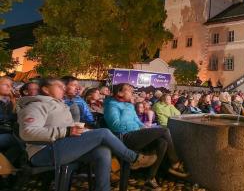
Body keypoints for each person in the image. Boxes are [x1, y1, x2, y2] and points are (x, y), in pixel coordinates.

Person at [18, 78, 154, 191]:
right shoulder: (36, 105)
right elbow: (27, 132)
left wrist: (82, 131)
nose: (63, 88)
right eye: (59, 86)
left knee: (103, 150)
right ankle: (133, 158)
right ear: (46, 89)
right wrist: (66, 131)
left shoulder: (60, 105)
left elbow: (67, 129)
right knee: (104, 133)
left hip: (62, 146)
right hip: (44, 151)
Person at [104, 83, 188, 190]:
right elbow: (115, 126)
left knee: (163, 142)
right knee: (164, 130)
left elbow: (137, 121)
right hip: (124, 137)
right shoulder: (111, 105)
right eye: (129, 90)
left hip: (136, 134)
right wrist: (127, 111)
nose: (132, 92)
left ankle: (151, 178)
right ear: (119, 93)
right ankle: (175, 163)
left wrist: (144, 128)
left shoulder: (129, 105)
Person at [0, 77, 24, 168]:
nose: (9, 87)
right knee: (18, 142)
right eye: (6, 85)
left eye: (11, 85)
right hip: (4, 133)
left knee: (19, 144)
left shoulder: (10, 101)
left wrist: (16, 101)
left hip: (8, 132)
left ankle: (5, 169)